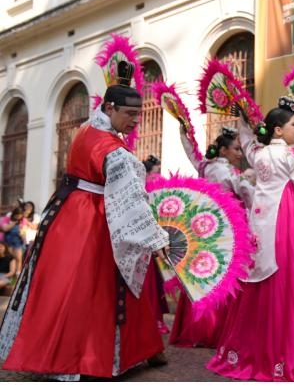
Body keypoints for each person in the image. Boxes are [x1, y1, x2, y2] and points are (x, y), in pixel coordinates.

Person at [0, 61, 171, 380]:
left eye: (138, 115)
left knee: (61, 284)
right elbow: (131, 202)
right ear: (110, 107)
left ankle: (87, 350)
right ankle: (86, 356)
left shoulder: (84, 130)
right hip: (95, 219)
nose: (135, 121)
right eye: (129, 114)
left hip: (67, 214)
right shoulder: (113, 150)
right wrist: (156, 237)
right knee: (97, 287)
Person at [206, 96, 294, 381]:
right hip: (286, 221)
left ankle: (254, 351)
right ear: (277, 130)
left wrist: (242, 117)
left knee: (262, 282)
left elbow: (247, 137)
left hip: (260, 224)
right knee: (290, 282)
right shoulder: (292, 156)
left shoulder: (257, 154)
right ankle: (289, 354)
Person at [169, 126, 255, 348]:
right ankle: (215, 331)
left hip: (205, 229)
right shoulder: (226, 173)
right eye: (236, 149)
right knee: (223, 277)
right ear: (223, 150)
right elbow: (249, 194)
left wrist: (184, 135)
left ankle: (199, 329)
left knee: (204, 277)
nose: (240, 153)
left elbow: (192, 155)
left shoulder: (206, 167)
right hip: (226, 231)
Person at [141, 154, 171, 335]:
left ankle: (154, 320)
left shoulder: (154, 189)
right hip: (147, 237)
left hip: (152, 237)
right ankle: (151, 320)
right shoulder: (147, 189)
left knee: (151, 282)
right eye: (155, 172)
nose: (158, 176)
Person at [0, 207, 25, 276]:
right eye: (17, 215)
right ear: (14, 214)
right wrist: (14, 223)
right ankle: (11, 272)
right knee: (10, 257)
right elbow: (5, 229)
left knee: (19, 258)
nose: (18, 217)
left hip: (17, 242)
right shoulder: (7, 219)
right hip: (8, 242)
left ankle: (18, 273)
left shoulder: (23, 221)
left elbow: (23, 231)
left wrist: (22, 234)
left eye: (20, 215)